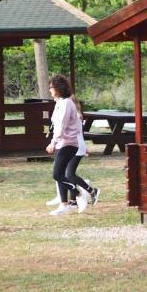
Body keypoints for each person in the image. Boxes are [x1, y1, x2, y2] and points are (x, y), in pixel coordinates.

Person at [45, 74, 99, 215]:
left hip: (68, 144)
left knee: (58, 174)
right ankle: (65, 203)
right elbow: (55, 125)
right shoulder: (60, 103)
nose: (49, 90)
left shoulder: (67, 103)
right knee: (61, 174)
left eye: (51, 87)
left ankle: (77, 192)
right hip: (62, 143)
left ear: (58, 88)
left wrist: (53, 142)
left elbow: (61, 126)